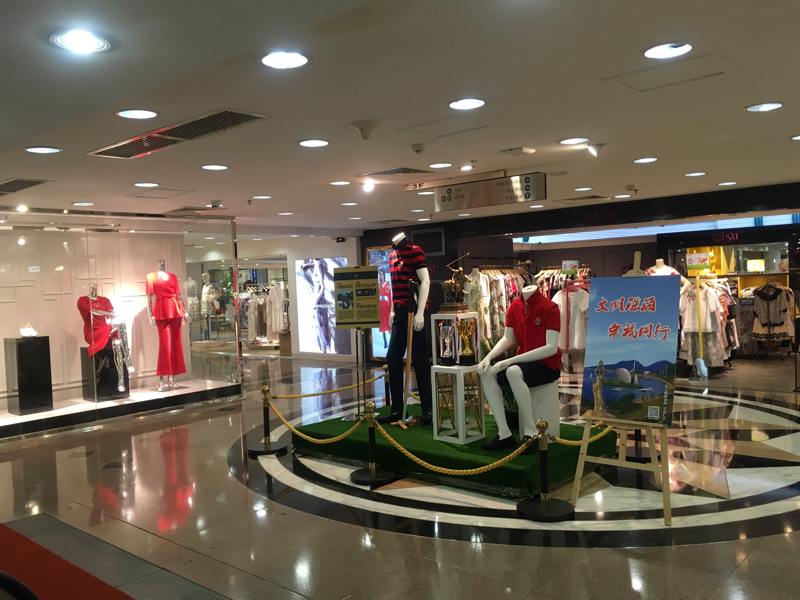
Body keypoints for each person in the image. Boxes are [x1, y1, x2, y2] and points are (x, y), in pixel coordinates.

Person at [378, 269, 392, 348]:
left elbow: (389, 295)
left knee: (389, 325)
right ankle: (385, 342)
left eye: (382, 274)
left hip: (386, 306)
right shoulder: (378, 285)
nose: (381, 276)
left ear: (384, 275)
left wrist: (390, 307)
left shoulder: (387, 284)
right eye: (380, 274)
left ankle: (392, 342)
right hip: (380, 307)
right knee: (382, 325)